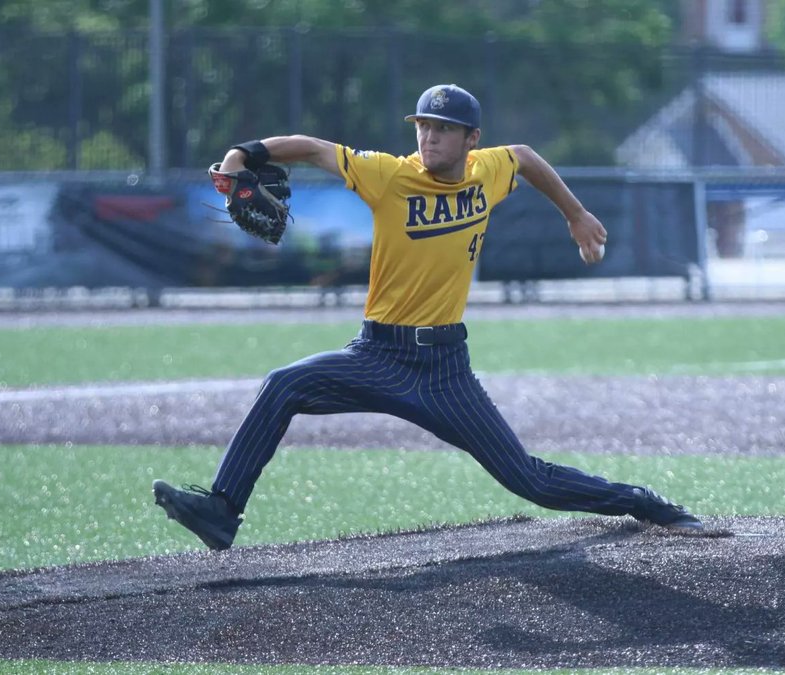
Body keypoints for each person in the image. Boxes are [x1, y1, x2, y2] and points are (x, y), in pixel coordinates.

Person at [153, 83, 704, 550]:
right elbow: (315, 148)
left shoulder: (488, 170)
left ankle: (640, 502)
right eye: (423, 125)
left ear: (471, 140)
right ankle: (223, 510)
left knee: (527, 479)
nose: (429, 136)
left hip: (445, 370)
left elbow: (527, 157)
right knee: (283, 385)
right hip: (377, 355)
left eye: (442, 128)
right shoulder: (389, 175)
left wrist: (577, 214)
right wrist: (242, 154)